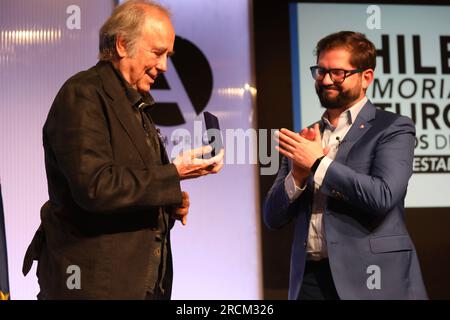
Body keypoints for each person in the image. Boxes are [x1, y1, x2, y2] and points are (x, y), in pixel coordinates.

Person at [22, 0, 224, 300]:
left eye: (167, 55)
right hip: (92, 287)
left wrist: (168, 203)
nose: (164, 66)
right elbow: (96, 187)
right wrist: (173, 175)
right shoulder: (83, 95)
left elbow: (130, 186)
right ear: (121, 45)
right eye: (157, 53)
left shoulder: (137, 107)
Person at [264, 31, 427, 299]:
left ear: (366, 78)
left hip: (372, 278)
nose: (326, 80)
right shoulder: (308, 136)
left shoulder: (394, 128)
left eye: (338, 73)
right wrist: (297, 175)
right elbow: (272, 217)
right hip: (309, 281)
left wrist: (317, 163)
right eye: (321, 71)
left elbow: (381, 196)